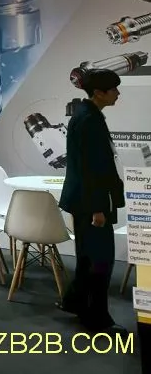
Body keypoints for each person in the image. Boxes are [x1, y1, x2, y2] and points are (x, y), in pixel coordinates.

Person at [58, 69, 126, 334]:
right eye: (114, 89)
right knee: (100, 261)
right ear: (99, 92)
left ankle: (75, 302)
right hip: (92, 203)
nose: (118, 93)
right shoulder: (88, 120)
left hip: (85, 200)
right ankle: (96, 318)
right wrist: (98, 208)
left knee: (88, 257)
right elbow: (91, 169)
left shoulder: (86, 115)